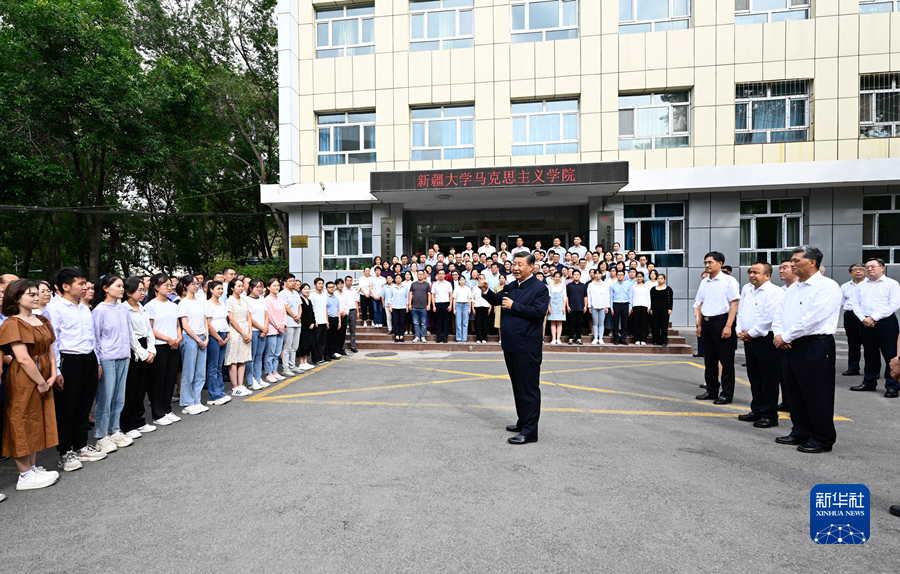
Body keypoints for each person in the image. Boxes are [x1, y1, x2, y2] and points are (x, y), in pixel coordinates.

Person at [772, 246, 842, 453]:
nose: (791, 264)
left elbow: (813, 318)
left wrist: (785, 336)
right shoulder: (794, 287)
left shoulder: (827, 286)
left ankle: (822, 438)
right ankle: (800, 430)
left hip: (815, 345)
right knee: (794, 392)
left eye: (796, 260)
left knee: (817, 394)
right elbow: (780, 313)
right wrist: (778, 335)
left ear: (812, 262)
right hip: (790, 345)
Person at [478, 253, 549, 444]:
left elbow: (538, 312)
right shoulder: (511, 286)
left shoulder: (540, 288)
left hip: (527, 346)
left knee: (529, 389)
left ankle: (530, 431)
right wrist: (486, 292)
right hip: (510, 345)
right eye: (513, 264)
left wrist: (514, 306)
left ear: (532, 266)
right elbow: (497, 300)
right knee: (517, 387)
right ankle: (523, 421)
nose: (515, 268)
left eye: (520, 264)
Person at [43, 268, 107, 470]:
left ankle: (80, 445)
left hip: (87, 358)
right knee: (67, 408)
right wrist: (58, 371)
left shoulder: (84, 308)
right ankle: (65, 451)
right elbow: (53, 342)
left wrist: (96, 361)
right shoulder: (54, 309)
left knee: (84, 404)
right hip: (68, 360)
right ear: (65, 286)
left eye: (85, 283)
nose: (85, 287)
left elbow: (91, 338)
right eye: (80, 284)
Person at [1, 279, 61, 489]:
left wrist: (52, 374)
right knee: (22, 419)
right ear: (17, 298)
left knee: (37, 419)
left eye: (37, 294)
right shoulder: (12, 323)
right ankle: (24, 474)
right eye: (31, 294)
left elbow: (50, 348)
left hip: (43, 373)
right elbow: (23, 358)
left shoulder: (42, 319)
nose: (37, 297)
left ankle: (32, 467)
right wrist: (41, 382)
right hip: (25, 377)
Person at [735, 262, 784, 428]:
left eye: (756, 272)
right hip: (748, 338)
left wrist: (751, 333)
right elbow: (740, 312)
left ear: (767, 276)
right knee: (754, 377)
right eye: (750, 272)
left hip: (765, 340)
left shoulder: (774, 292)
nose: (751, 275)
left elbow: (768, 318)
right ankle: (756, 409)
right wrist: (739, 331)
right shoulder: (747, 289)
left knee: (768, 379)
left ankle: (769, 415)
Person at [90, 275, 134, 453]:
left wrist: (128, 354)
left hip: (123, 356)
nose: (122, 289)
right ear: (106, 288)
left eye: (122, 286)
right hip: (107, 358)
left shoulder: (123, 309)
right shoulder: (99, 310)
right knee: (105, 397)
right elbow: (95, 338)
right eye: (118, 286)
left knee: (119, 396)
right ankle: (101, 435)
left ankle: (114, 429)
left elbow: (128, 334)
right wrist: (98, 362)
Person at [849, 258, 900, 398]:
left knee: (890, 354)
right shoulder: (861, 285)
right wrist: (863, 318)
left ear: (882, 268)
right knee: (870, 354)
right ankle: (869, 382)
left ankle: (892, 386)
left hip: (886, 323)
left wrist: (874, 317)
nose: (869, 269)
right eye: (868, 267)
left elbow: (894, 305)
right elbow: (854, 304)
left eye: (873, 266)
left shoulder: (891, 284)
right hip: (865, 322)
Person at [695, 252, 741, 405]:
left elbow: (734, 304)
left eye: (710, 262)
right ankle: (711, 390)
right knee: (709, 359)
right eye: (705, 262)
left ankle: (727, 394)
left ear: (720, 263)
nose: (707, 265)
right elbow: (701, 303)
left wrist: (728, 326)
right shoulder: (704, 282)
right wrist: (700, 324)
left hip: (722, 322)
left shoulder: (729, 281)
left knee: (726, 360)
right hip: (707, 322)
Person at [121, 276, 158, 439]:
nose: (143, 293)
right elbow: (130, 336)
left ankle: (139, 420)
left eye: (144, 290)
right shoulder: (123, 309)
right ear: (128, 292)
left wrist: (151, 351)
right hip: (133, 350)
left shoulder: (143, 308)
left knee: (141, 387)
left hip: (146, 347)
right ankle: (128, 424)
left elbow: (149, 331)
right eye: (140, 290)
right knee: (131, 388)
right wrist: (143, 354)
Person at [145, 274, 182, 428]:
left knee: (170, 378)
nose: (169, 287)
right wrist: (167, 339)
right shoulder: (150, 306)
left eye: (170, 284)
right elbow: (149, 328)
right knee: (158, 380)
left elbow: (178, 325)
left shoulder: (173, 305)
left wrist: (178, 338)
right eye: (165, 285)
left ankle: (167, 409)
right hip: (160, 345)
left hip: (174, 344)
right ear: (156, 287)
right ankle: (158, 413)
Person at [176, 274, 208, 415]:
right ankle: (187, 402)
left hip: (202, 336)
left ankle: (197, 400)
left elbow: (205, 320)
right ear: (185, 286)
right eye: (193, 284)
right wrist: (199, 340)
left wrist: (206, 337)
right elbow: (185, 325)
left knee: (200, 372)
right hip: (189, 338)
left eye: (197, 284)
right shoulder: (183, 303)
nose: (196, 286)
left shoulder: (201, 301)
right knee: (189, 372)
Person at [224, 278, 254, 396]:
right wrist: (243, 333)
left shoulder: (245, 300)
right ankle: (234, 387)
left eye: (242, 286)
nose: (241, 288)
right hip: (236, 331)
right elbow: (231, 320)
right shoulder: (229, 301)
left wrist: (250, 332)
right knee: (234, 360)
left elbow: (249, 317)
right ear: (232, 288)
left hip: (246, 329)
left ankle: (241, 385)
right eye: (238, 286)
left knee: (243, 359)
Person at [204, 281, 231, 406]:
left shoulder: (222, 304)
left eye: (221, 288)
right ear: (211, 290)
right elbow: (208, 324)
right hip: (214, 336)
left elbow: (225, 320)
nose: (220, 291)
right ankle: (213, 395)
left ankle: (220, 391)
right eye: (218, 288)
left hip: (223, 334)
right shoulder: (208, 304)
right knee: (213, 367)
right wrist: (218, 338)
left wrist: (227, 334)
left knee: (220, 366)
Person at [840, 264, 866, 377]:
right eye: (855, 270)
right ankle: (853, 368)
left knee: (870, 344)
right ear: (850, 273)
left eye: (861, 269)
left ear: (865, 272)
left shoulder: (869, 285)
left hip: (866, 317)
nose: (858, 272)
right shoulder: (845, 286)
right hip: (850, 316)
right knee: (853, 343)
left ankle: (872, 370)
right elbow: (841, 301)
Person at [245, 279, 268, 390]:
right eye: (256, 287)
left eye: (260, 287)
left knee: (259, 357)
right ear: (250, 288)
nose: (259, 289)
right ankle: (251, 380)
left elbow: (266, 314)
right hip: (253, 330)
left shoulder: (262, 299)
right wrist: (262, 328)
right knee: (251, 357)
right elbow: (249, 317)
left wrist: (265, 329)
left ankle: (258, 378)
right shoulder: (246, 300)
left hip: (263, 331)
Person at [263, 278, 287, 382]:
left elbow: (284, 314)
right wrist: (279, 326)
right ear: (268, 287)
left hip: (281, 329)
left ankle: (274, 371)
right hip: (272, 330)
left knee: (277, 352)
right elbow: (270, 316)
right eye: (274, 286)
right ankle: (268, 373)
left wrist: (283, 324)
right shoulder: (267, 299)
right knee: (270, 353)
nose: (276, 287)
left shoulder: (280, 299)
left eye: (278, 285)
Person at [279, 274, 303, 375]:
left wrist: (299, 316)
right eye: (290, 281)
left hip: (298, 322)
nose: (293, 282)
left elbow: (299, 306)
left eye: (294, 281)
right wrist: (294, 316)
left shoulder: (296, 293)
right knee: (287, 346)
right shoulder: (282, 293)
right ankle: (286, 368)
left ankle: (293, 365)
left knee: (295, 346)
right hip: (289, 322)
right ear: (285, 282)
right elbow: (285, 307)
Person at [295, 283, 316, 370]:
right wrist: (308, 323)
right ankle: (301, 362)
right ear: (301, 290)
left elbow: (312, 313)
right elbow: (302, 315)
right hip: (304, 326)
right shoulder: (300, 300)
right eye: (304, 289)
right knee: (303, 343)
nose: (306, 291)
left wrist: (313, 322)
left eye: (308, 289)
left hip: (311, 325)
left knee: (309, 343)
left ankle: (306, 361)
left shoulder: (309, 300)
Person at [587, 268, 610, 345]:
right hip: (594, 305)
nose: (597, 275)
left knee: (601, 322)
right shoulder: (591, 285)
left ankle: (600, 338)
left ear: (601, 274)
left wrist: (607, 306)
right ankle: (595, 338)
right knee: (595, 322)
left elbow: (607, 295)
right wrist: (589, 306)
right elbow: (589, 296)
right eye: (596, 273)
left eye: (599, 273)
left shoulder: (605, 284)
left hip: (603, 306)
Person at [649, 273, 673, 346]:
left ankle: (663, 341)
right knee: (655, 324)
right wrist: (651, 308)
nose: (660, 280)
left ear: (664, 280)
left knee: (664, 325)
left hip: (665, 308)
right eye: (658, 278)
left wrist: (670, 308)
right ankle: (656, 340)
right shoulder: (653, 289)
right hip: (655, 308)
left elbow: (670, 299)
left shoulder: (668, 289)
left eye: (661, 278)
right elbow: (651, 299)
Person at [408, 270, 432, 343]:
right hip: (414, 306)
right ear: (417, 275)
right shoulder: (413, 284)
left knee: (423, 323)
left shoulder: (427, 284)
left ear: (424, 275)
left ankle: (423, 336)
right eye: (419, 274)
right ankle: (417, 336)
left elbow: (429, 295)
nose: (420, 275)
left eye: (422, 274)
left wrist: (428, 304)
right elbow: (411, 294)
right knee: (415, 323)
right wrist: (409, 304)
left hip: (424, 307)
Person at [565, 269, 587, 345]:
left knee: (579, 324)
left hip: (581, 307)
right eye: (575, 275)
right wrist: (567, 306)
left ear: (580, 276)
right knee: (572, 323)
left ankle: (578, 338)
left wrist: (585, 306)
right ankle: (570, 338)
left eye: (578, 275)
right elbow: (567, 296)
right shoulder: (569, 285)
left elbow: (585, 296)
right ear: (572, 276)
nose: (576, 276)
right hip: (572, 307)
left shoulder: (583, 285)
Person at [609, 270, 631, 345]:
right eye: (618, 275)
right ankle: (616, 339)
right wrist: (611, 308)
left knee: (624, 323)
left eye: (621, 275)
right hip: (616, 304)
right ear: (616, 276)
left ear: (624, 276)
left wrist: (630, 308)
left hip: (625, 304)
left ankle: (623, 338)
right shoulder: (613, 285)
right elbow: (611, 297)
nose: (620, 276)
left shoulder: (628, 285)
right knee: (615, 323)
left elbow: (630, 297)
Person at [431, 269, 453, 343]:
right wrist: (433, 306)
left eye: (442, 273)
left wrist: (450, 305)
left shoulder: (448, 284)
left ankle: (445, 338)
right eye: (439, 273)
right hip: (437, 304)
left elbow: (451, 295)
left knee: (446, 322)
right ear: (437, 275)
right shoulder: (435, 284)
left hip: (446, 304)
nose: (441, 275)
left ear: (445, 275)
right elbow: (433, 295)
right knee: (438, 322)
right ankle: (439, 337)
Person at [630, 272, 651, 346]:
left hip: (644, 306)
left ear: (643, 278)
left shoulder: (646, 287)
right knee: (636, 323)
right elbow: (631, 297)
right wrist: (631, 307)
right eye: (638, 277)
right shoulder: (633, 287)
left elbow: (648, 297)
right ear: (636, 278)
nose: (639, 278)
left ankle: (643, 339)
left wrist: (649, 307)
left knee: (644, 324)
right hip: (635, 306)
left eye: (640, 277)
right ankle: (637, 339)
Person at [388, 274, 409, 343]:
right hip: (395, 307)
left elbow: (407, 298)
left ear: (401, 279)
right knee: (396, 322)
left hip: (403, 307)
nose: (398, 279)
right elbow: (389, 298)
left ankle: (401, 336)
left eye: (399, 278)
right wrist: (390, 307)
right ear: (394, 279)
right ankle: (397, 336)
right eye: (397, 278)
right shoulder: (392, 288)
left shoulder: (405, 287)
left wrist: (407, 306)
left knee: (402, 322)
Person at [547, 271, 567, 345]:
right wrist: (548, 307)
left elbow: (564, 297)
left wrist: (564, 307)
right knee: (552, 323)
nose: (557, 278)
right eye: (556, 277)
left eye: (558, 277)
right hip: (552, 305)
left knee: (559, 323)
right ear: (553, 277)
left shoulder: (563, 286)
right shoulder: (550, 286)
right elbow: (548, 298)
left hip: (560, 306)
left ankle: (558, 338)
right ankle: (553, 338)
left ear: (560, 277)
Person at [452, 276, 473, 342]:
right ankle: (458, 338)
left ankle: (464, 338)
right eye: (460, 280)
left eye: (463, 280)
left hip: (466, 305)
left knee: (465, 322)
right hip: (458, 304)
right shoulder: (456, 289)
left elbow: (469, 299)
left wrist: (469, 308)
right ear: (458, 281)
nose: (461, 281)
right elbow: (454, 299)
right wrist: (454, 309)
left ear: (465, 281)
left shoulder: (468, 289)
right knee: (458, 322)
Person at [324, 281, 342, 361]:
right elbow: (325, 310)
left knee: (334, 338)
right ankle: (326, 354)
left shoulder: (336, 298)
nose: (332, 288)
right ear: (327, 288)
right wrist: (327, 321)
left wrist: (339, 322)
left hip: (336, 319)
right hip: (329, 319)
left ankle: (332, 353)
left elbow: (338, 310)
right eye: (330, 287)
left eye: (333, 287)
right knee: (328, 338)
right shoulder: (325, 298)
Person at [473, 271, 492, 344]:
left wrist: (490, 307)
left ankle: (484, 338)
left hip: (485, 306)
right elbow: (473, 299)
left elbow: (490, 298)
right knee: (478, 323)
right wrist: (473, 308)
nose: (481, 280)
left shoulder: (488, 287)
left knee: (484, 323)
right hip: (477, 306)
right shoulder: (475, 288)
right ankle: (478, 338)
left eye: (483, 278)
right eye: (480, 278)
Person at [342, 276, 359, 354]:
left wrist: (357, 312)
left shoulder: (354, 291)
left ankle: (353, 346)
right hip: (345, 311)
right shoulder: (342, 291)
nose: (349, 282)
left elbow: (356, 302)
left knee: (353, 330)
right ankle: (342, 347)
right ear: (345, 282)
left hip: (353, 311)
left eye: (351, 281)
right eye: (348, 281)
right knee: (343, 330)